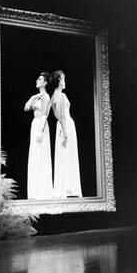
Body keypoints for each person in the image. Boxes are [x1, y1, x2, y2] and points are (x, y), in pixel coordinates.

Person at [50, 70, 82, 198]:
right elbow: (62, 116)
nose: (65, 81)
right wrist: (65, 134)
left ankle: (65, 188)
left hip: (60, 126)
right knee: (68, 155)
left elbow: (56, 115)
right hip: (66, 126)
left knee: (63, 156)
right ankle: (69, 188)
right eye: (63, 78)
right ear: (59, 81)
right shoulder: (61, 96)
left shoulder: (53, 96)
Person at [24, 72, 53, 199]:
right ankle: (35, 190)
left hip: (41, 125)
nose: (37, 80)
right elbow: (26, 108)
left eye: (39, 79)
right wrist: (33, 97)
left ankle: (43, 190)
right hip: (35, 124)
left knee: (41, 155)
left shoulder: (46, 97)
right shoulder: (37, 96)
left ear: (45, 83)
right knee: (35, 155)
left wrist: (40, 131)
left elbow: (45, 114)